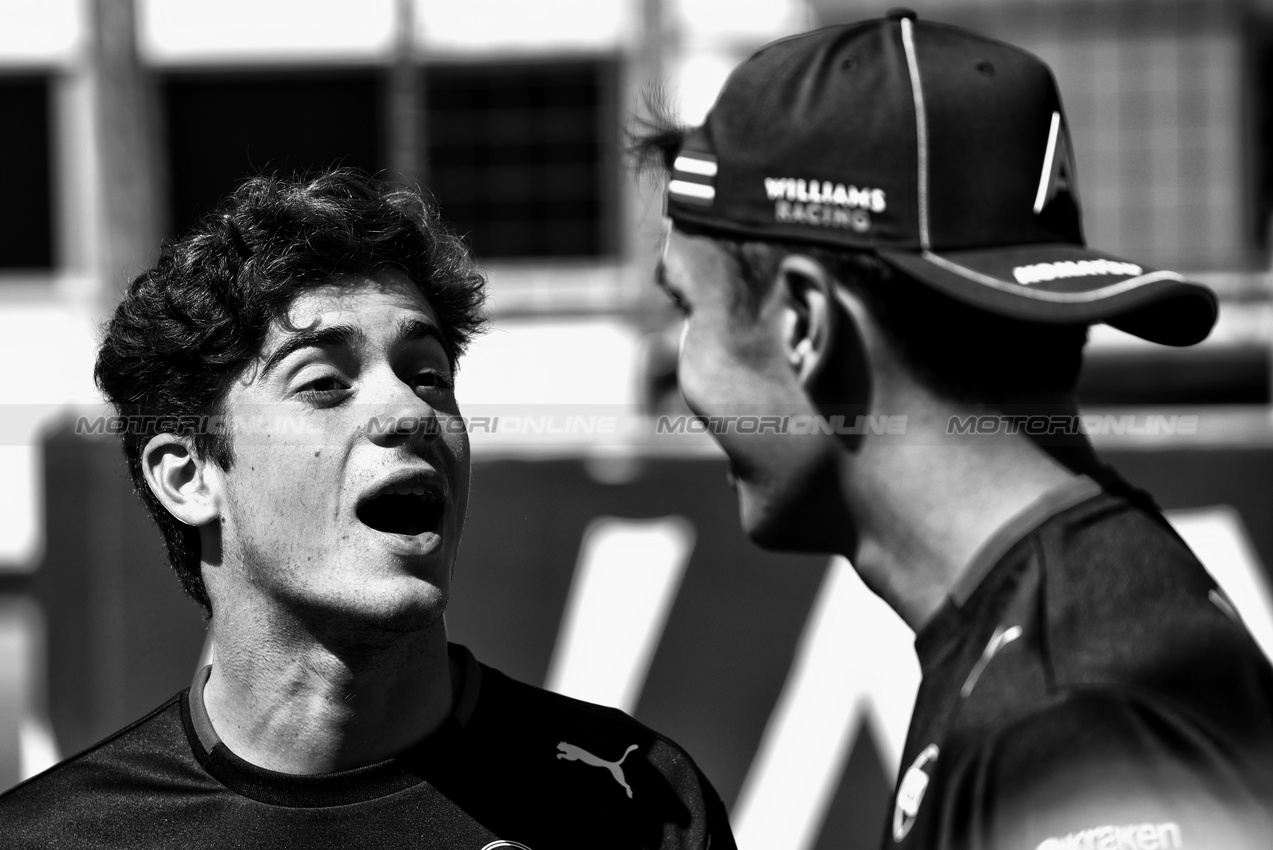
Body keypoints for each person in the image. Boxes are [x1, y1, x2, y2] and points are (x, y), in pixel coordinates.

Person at [636, 10, 1273, 850]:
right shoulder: (1068, 626)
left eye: (687, 308)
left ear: (803, 322)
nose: (684, 377)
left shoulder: (1069, 711)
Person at [0, 170, 736, 850]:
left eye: (429, 376)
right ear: (187, 476)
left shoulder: (644, 801)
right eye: (323, 382)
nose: (408, 410)